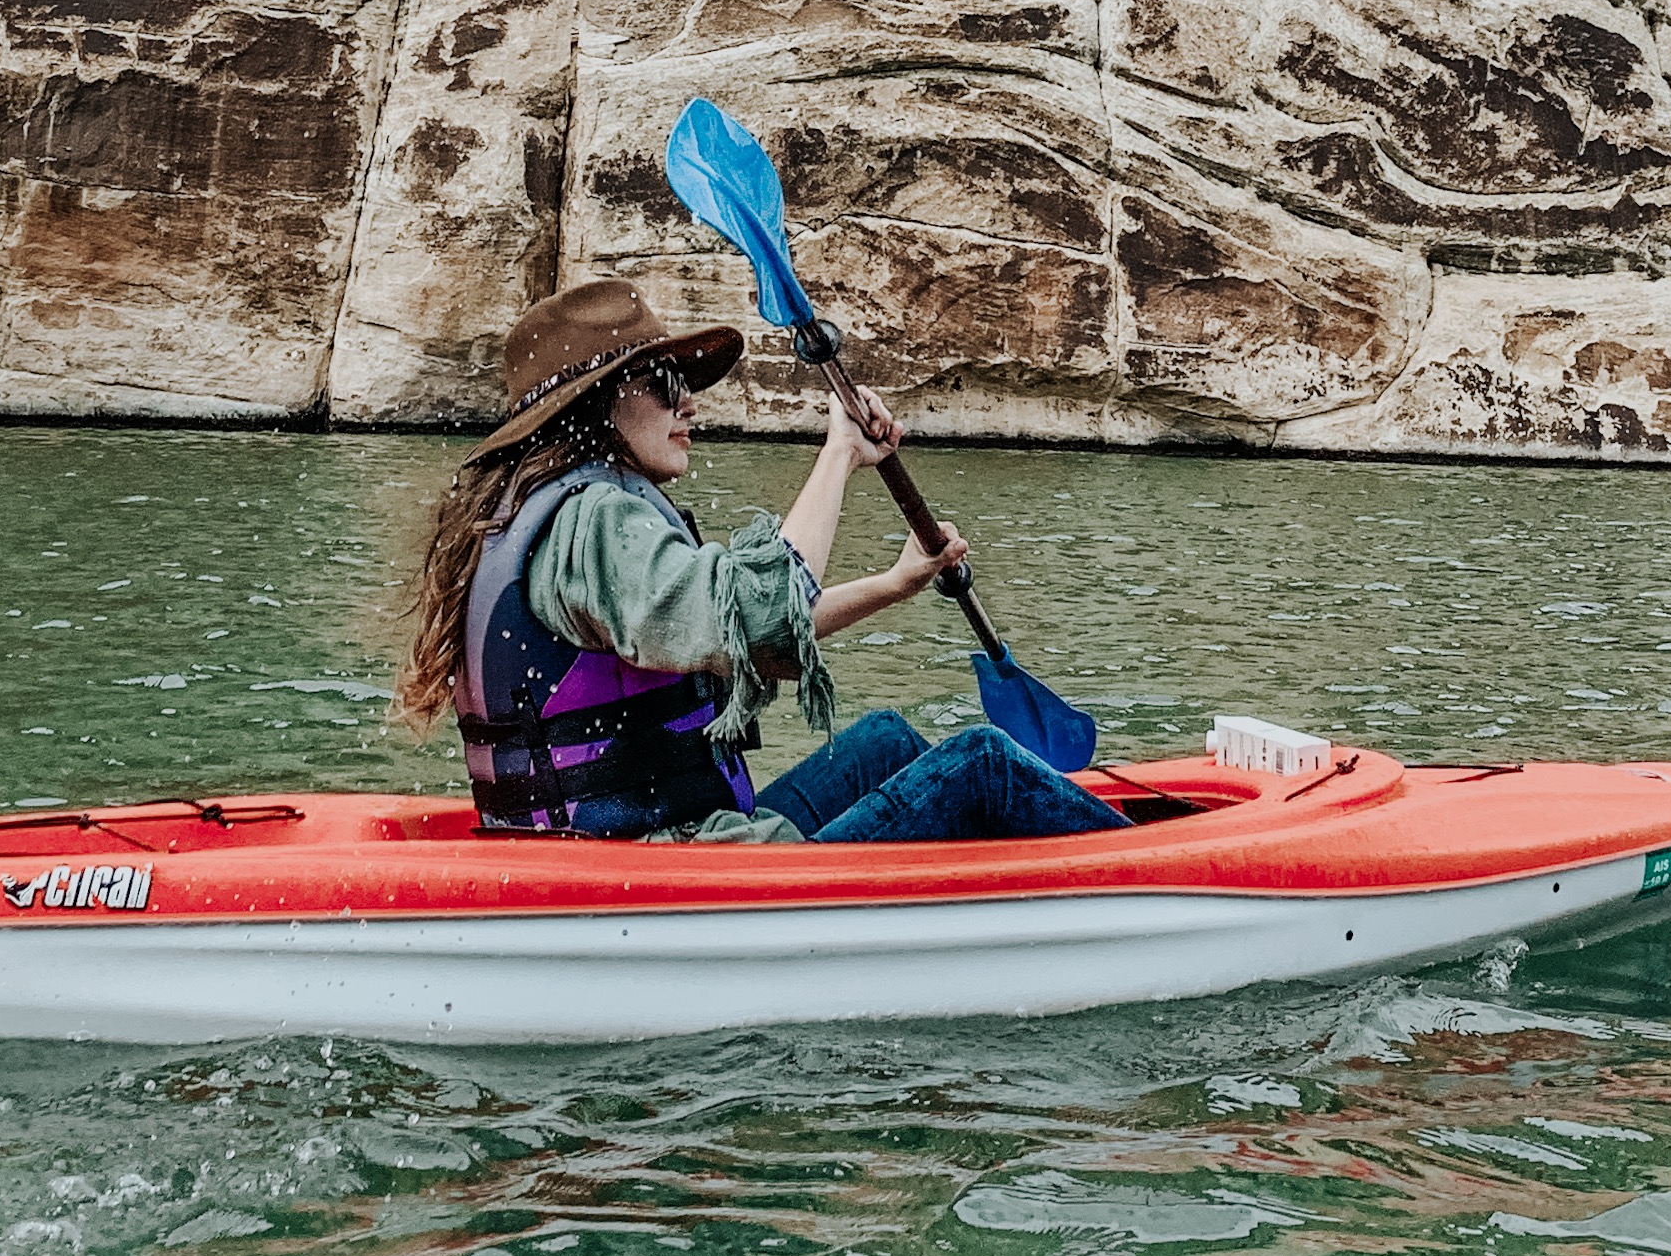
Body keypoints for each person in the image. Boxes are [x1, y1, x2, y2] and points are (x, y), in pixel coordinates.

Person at [395, 276, 1124, 845]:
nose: (689, 405)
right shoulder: (596, 523)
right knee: (982, 765)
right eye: (666, 383)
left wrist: (897, 584)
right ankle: (1144, 871)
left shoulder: (551, 513)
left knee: (887, 741)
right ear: (601, 404)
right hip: (661, 856)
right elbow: (751, 611)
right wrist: (837, 454)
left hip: (648, 833)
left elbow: (759, 638)